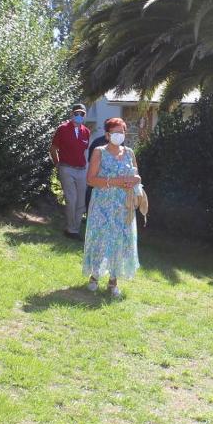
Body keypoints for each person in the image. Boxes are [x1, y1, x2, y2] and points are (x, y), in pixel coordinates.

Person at [83, 117, 141, 297]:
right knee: (100, 238)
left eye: (121, 131)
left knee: (119, 241)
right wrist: (115, 182)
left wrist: (134, 181)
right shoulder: (99, 152)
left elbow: (136, 175)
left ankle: (113, 281)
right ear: (107, 135)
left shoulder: (130, 152)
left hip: (123, 205)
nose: (118, 135)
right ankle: (94, 276)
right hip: (102, 204)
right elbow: (90, 179)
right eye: (115, 132)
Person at [50, 103, 91, 239]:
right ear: (71, 114)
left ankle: (75, 229)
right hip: (66, 168)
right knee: (71, 200)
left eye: (82, 114)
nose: (79, 116)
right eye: (76, 113)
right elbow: (53, 148)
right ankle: (70, 229)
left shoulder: (86, 131)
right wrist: (58, 165)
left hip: (81, 170)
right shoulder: (62, 129)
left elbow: (84, 152)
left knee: (81, 202)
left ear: (85, 115)